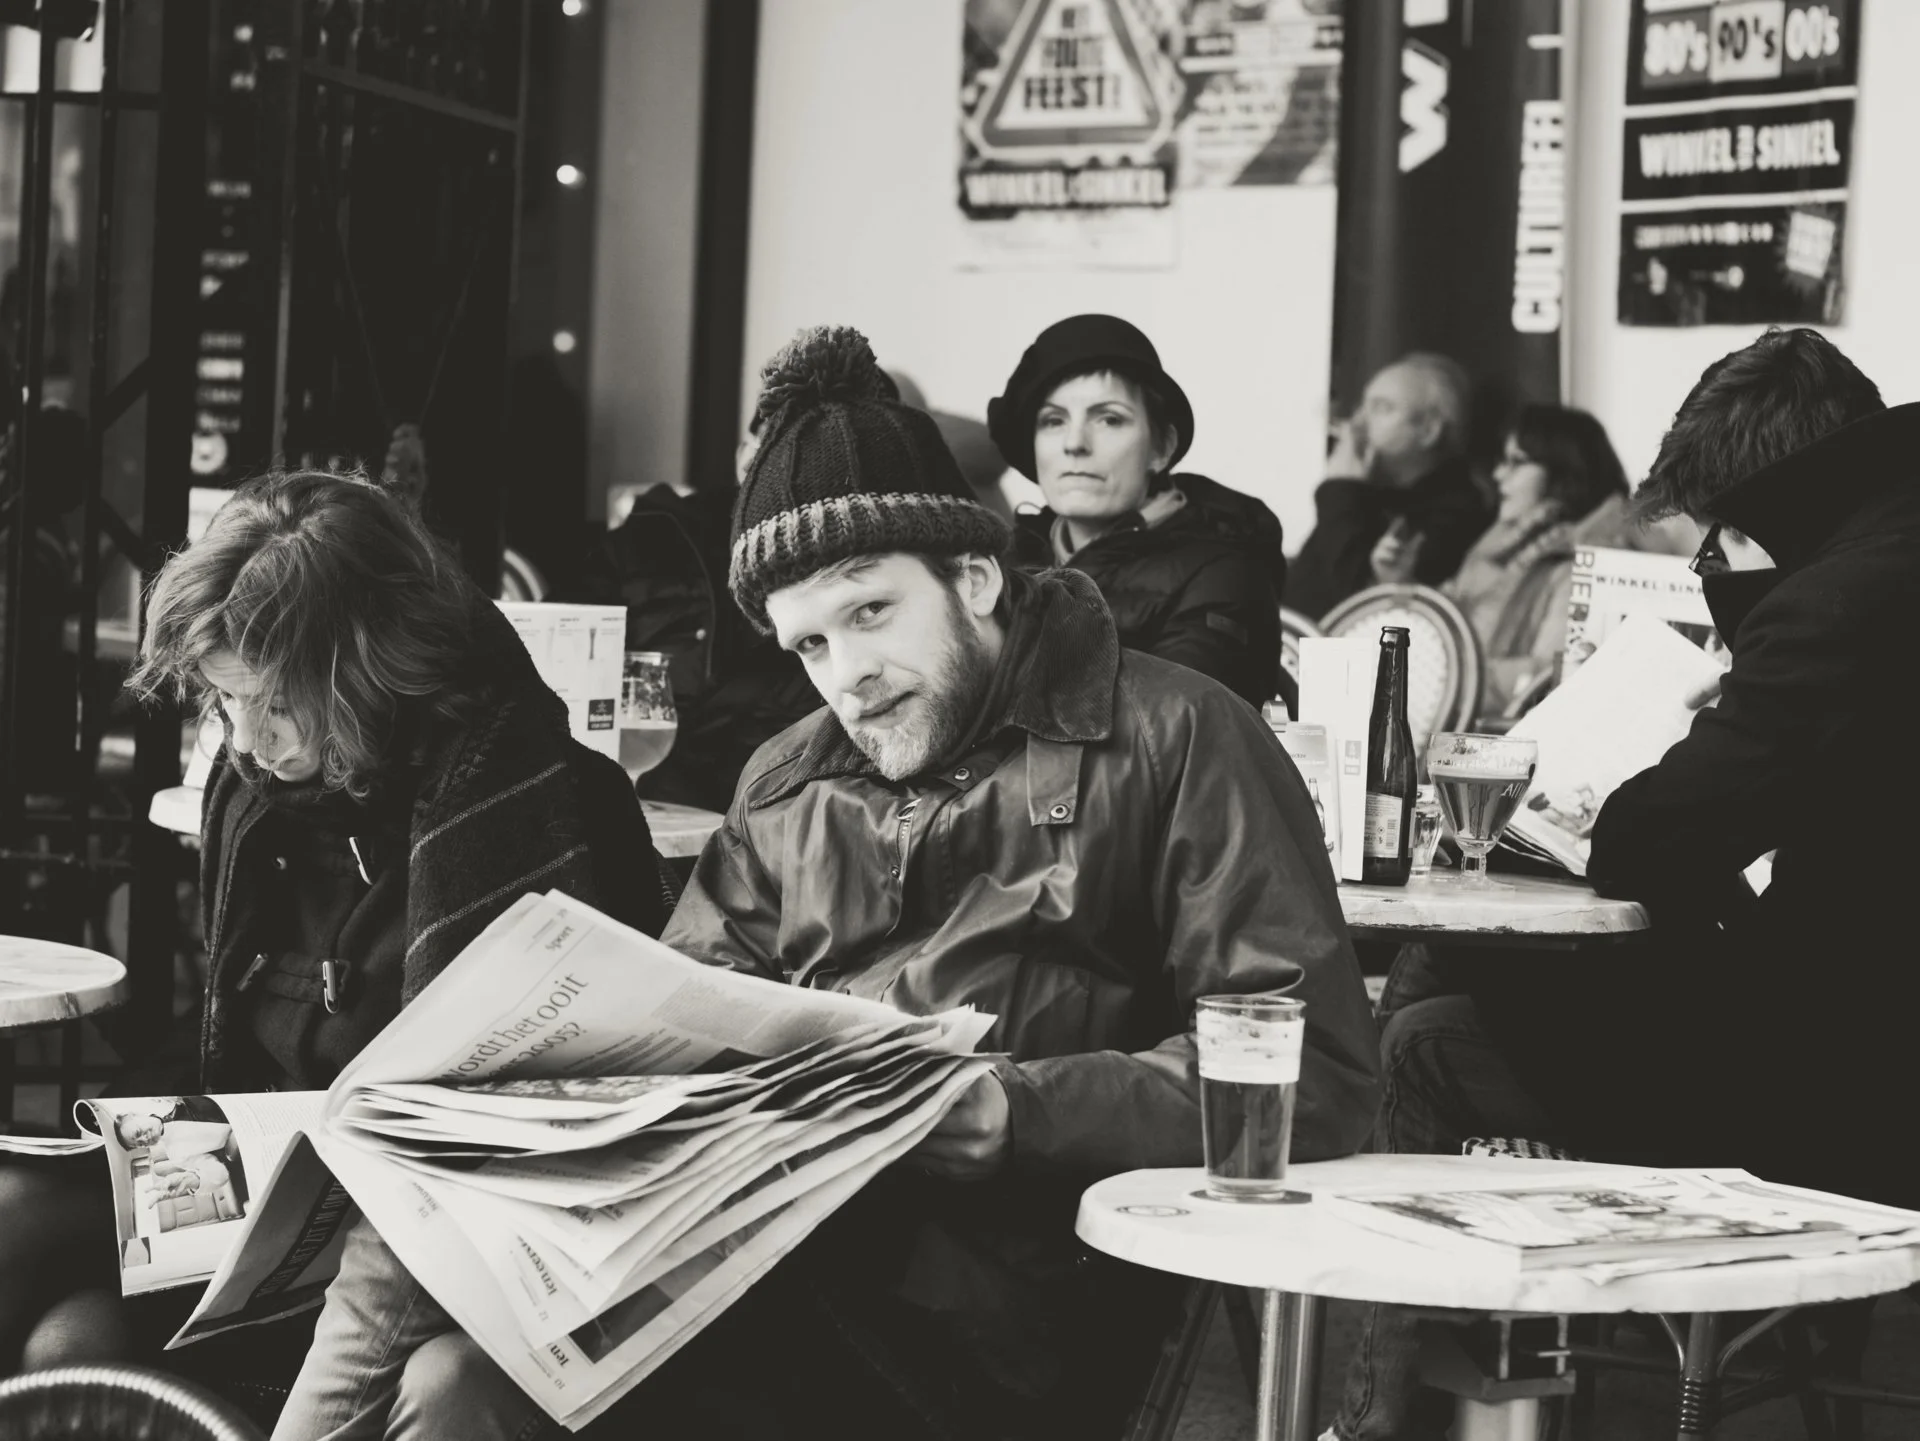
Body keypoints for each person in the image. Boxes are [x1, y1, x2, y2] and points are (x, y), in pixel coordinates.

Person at [274, 326, 1381, 1441]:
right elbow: (688, 1020)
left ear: (978, 575)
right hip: (770, 1271)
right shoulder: (785, 780)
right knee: (449, 1370)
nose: (846, 677)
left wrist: (1019, 1110)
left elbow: (1315, 1076)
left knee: (455, 1379)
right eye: (808, 645)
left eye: (870, 613)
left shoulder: (1182, 735)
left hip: (1020, 1322)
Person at [1327, 328, 1920, 1441]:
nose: (1720, 567)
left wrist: (1700, 717)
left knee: (1429, 1034)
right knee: (1455, 994)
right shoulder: (1889, 542)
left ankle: (1378, 1420)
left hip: (1850, 1104)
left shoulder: (1840, 602)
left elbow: (1652, 841)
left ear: (1760, 506)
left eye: (1721, 544)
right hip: (1873, 1046)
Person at [0, 467, 666, 1378]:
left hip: (422, 1231)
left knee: (61, 1317)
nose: (246, 739)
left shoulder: (537, 802)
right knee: (30, 1257)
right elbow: (230, 1045)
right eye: (227, 698)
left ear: (374, 672)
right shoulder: (259, 796)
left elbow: (574, 1132)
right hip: (265, 1181)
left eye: (278, 702)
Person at [989, 314, 1287, 711]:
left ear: (1161, 447)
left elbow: (1169, 729)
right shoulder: (1007, 562)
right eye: (1053, 421)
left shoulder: (1225, 573)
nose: (1075, 443)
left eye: (1109, 419)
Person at [1382, 404, 1630, 720]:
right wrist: (1396, 582)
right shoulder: (1497, 545)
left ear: (1564, 473)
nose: (1499, 475)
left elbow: (1549, 676)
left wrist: (1438, 679)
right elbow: (1439, 626)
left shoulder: (1582, 566)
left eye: (1516, 462)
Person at [1285, 352, 1492, 620]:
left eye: (1382, 408)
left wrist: (1341, 489)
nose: (1358, 422)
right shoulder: (1372, 495)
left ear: (1429, 430)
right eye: (1363, 406)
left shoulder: (1456, 511)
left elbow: (1360, 607)